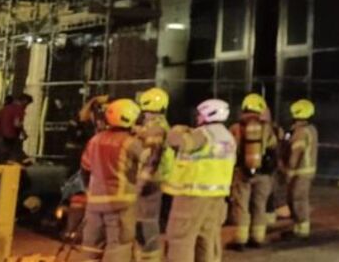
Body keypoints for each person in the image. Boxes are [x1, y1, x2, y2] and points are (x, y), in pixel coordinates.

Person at [162, 99, 236, 262]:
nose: (197, 118)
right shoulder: (227, 136)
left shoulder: (203, 133)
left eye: (199, 115)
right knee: (207, 238)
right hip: (217, 195)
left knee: (181, 238)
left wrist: (175, 130)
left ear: (207, 114)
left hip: (192, 194)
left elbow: (178, 142)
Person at [81, 98, 146, 262]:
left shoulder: (95, 140)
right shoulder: (131, 143)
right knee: (118, 247)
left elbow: (85, 169)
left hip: (94, 203)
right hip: (120, 203)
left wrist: (89, 192)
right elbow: (149, 162)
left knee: (91, 246)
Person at [228, 93, 278, 250]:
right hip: (264, 175)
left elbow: (231, 150)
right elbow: (276, 147)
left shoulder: (236, 128)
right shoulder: (268, 128)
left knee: (241, 206)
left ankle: (240, 240)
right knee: (259, 205)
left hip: (242, 173)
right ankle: (257, 238)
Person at [134, 87, 171, 262]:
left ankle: (150, 257)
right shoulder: (158, 125)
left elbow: (153, 157)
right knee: (144, 219)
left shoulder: (156, 128)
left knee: (147, 220)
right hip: (153, 179)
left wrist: (142, 181)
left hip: (150, 180)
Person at [283, 99, 317, 240]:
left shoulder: (300, 132)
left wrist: (289, 172)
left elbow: (295, 154)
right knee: (298, 199)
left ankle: (302, 230)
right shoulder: (311, 129)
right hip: (307, 171)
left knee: (298, 199)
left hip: (300, 172)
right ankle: (299, 227)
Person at [0, 93, 32, 163]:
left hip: (0, 135)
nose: (26, 106)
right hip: (11, 136)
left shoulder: (4, 108)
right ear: (24, 101)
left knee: (1, 158)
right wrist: (23, 133)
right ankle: (22, 163)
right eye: (27, 104)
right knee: (16, 156)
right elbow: (16, 124)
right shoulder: (19, 110)